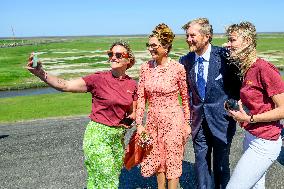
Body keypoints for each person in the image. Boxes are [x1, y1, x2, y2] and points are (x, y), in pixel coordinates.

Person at [26, 41, 137, 189]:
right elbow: (65, 85)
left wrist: (130, 119)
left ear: (128, 60)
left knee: (98, 179)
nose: (113, 57)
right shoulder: (98, 79)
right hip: (97, 136)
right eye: (111, 54)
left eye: (118, 55)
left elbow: (132, 111)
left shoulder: (132, 85)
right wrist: (41, 73)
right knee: (109, 180)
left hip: (118, 139)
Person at [179, 18, 242, 189]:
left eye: (193, 35)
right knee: (200, 164)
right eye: (187, 36)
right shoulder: (185, 61)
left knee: (221, 166)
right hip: (198, 121)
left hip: (222, 122)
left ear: (207, 36)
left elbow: (238, 87)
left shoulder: (225, 57)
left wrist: (233, 107)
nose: (188, 39)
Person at [225, 21, 284, 189]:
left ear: (248, 41)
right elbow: (258, 101)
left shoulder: (264, 69)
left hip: (265, 142)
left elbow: (283, 109)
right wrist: (238, 107)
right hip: (251, 137)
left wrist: (250, 118)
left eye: (232, 40)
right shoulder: (247, 68)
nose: (228, 44)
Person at [136, 23, 191, 189]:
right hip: (153, 120)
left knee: (172, 159)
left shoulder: (178, 69)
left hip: (174, 121)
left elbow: (185, 98)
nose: (150, 49)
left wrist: (187, 123)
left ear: (166, 47)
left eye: (154, 45)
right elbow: (140, 97)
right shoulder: (145, 68)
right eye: (149, 45)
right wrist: (139, 124)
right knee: (157, 158)